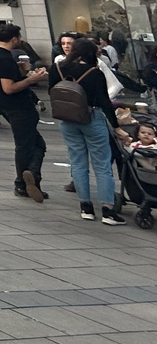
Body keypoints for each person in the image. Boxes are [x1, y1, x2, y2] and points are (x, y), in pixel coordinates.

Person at [53, 39, 130, 225]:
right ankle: (107, 211)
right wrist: (117, 127)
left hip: (68, 119)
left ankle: (85, 207)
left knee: (78, 162)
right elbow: (105, 101)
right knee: (102, 164)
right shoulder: (94, 73)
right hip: (91, 118)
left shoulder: (57, 69)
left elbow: (52, 92)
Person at [0, 24, 48, 202]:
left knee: (34, 144)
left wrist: (19, 72)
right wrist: (31, 79)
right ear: (14, 39)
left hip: (2, 105)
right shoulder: (4, 58)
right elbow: (9, 88)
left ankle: (30, 180)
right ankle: (25, 180)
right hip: (18, 107)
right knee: (27, 146)